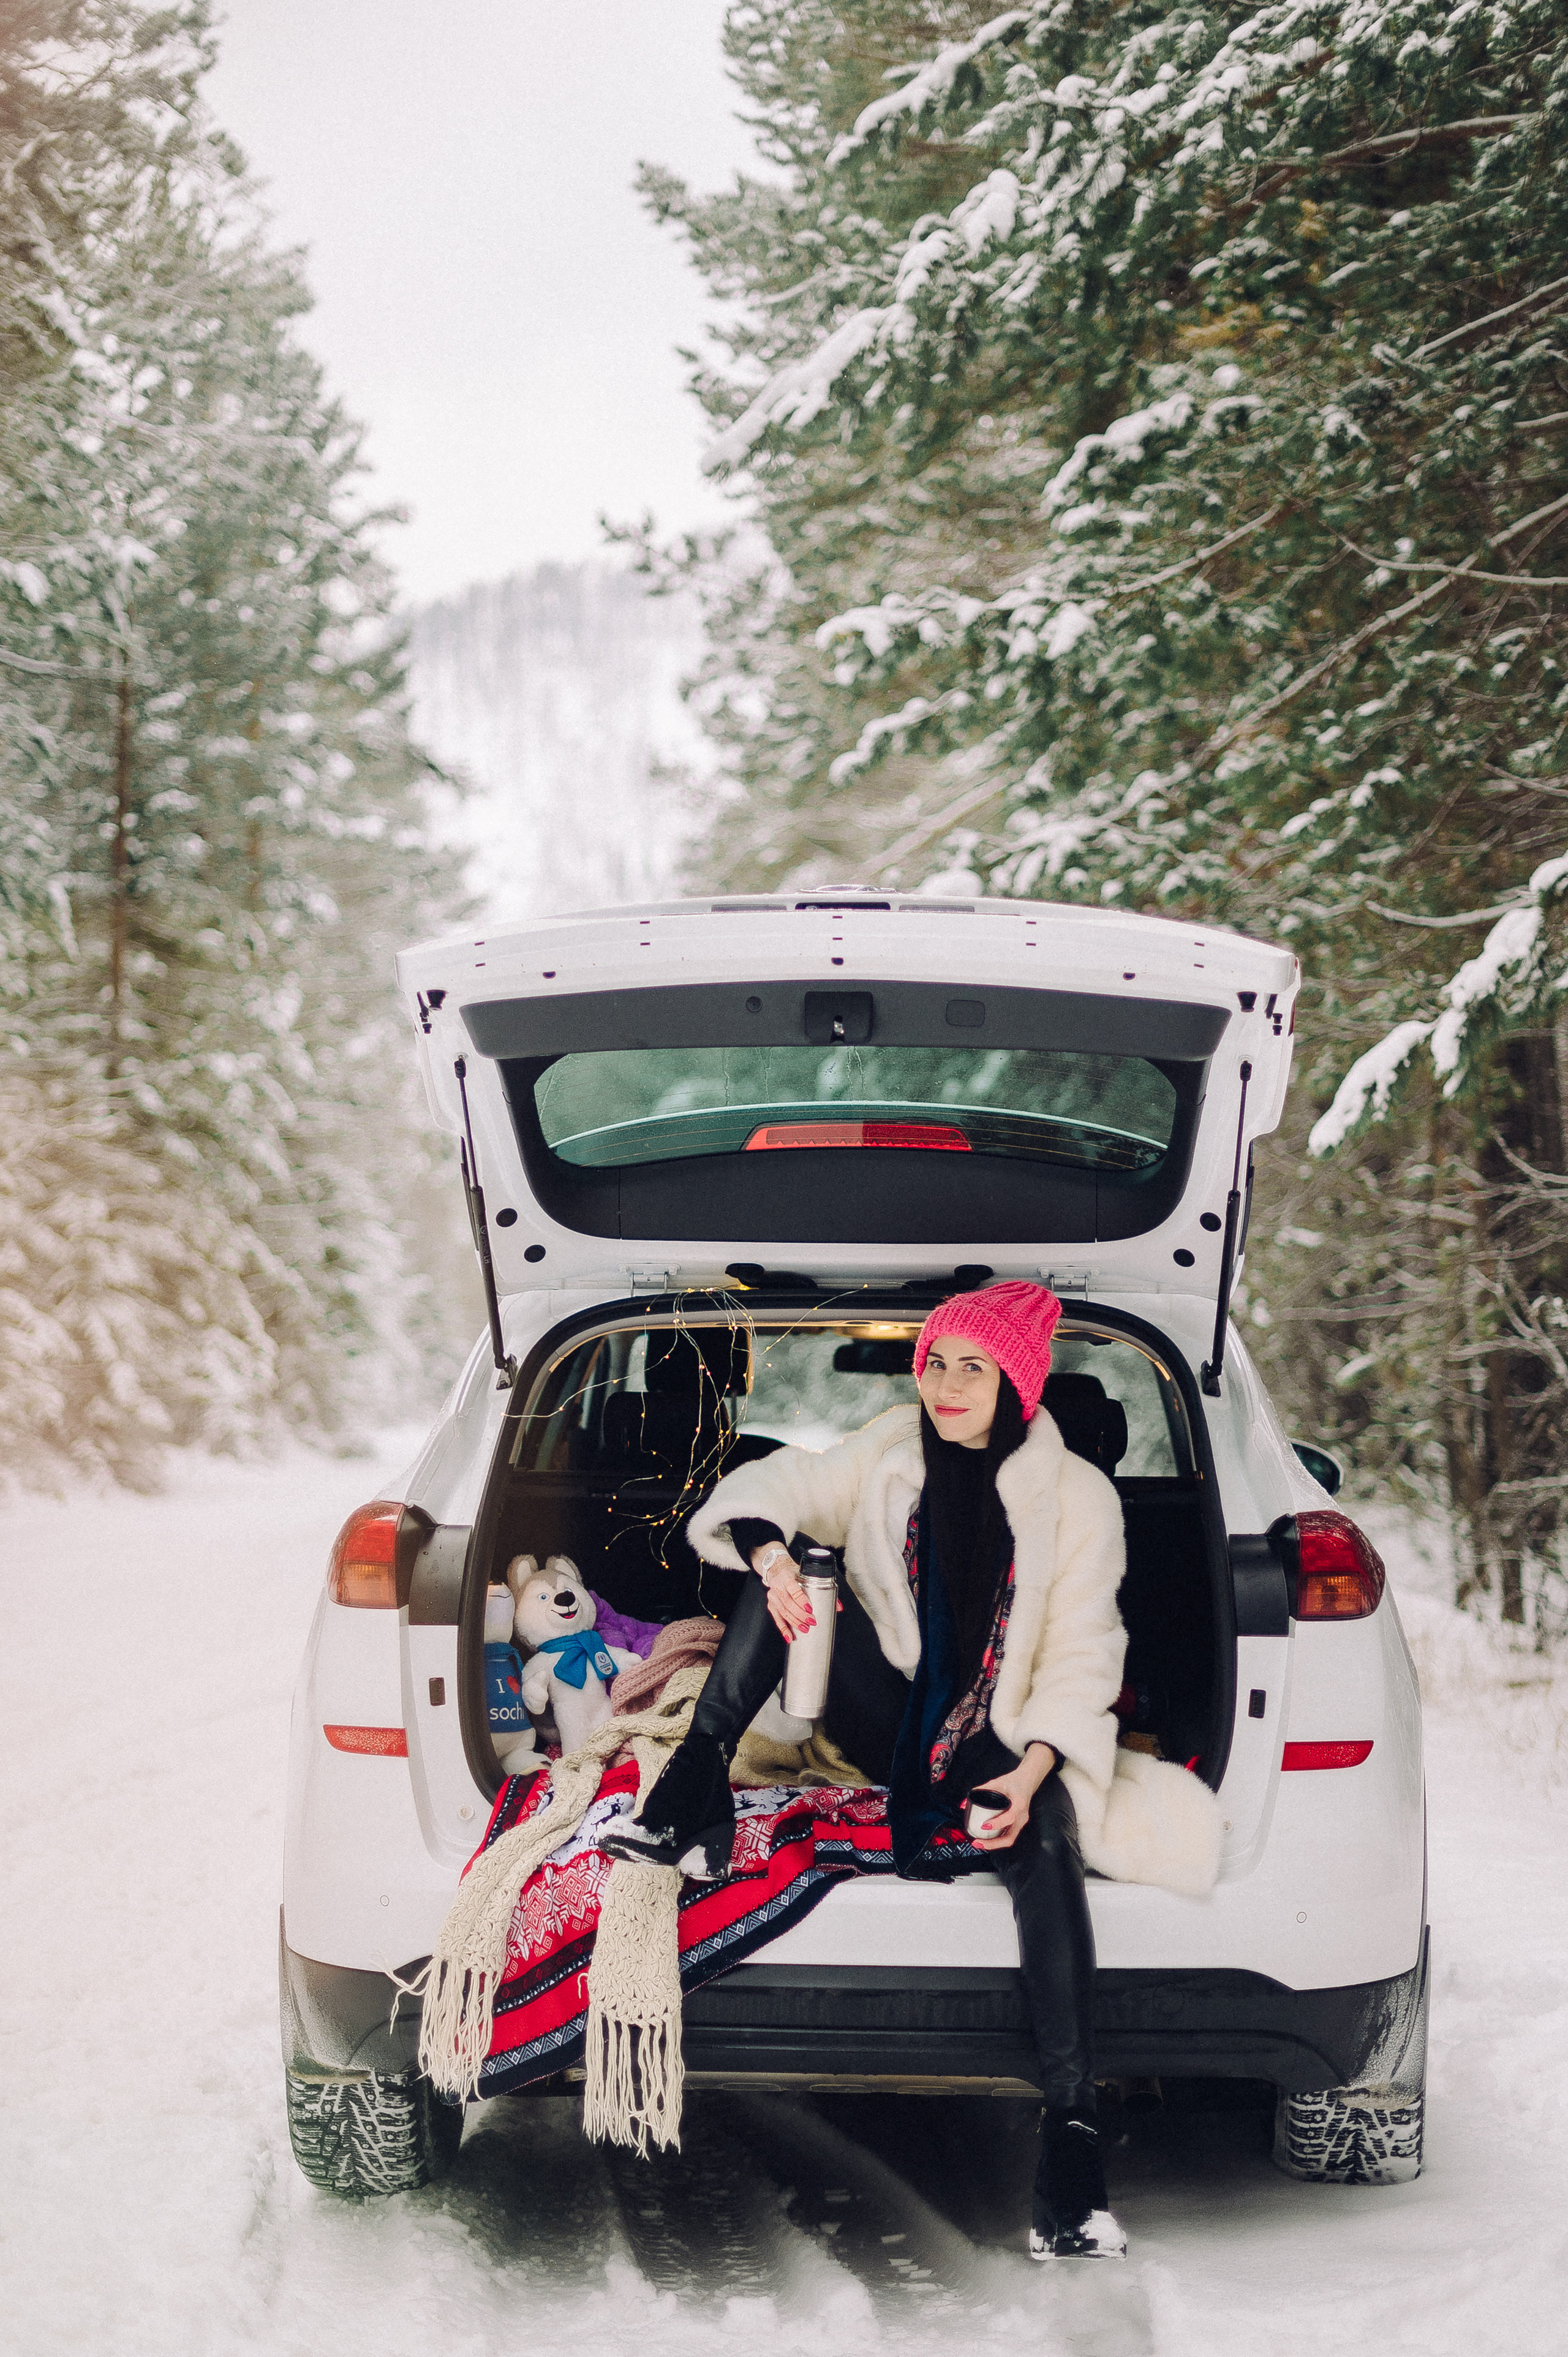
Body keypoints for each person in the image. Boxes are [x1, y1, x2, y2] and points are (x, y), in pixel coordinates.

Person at [607, 1280, 1221, 2260]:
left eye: (971, 1366)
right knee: (797, 1570)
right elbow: (779, 1486)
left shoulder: (1081, 1499)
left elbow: (1083, 1655)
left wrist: (1028, 1779)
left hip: (1005, 1734)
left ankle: (1071, 2141)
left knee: (1048, 1846)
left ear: (1017, 1384)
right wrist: (765, 1554)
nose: (943, 1383)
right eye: (935, 1360)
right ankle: (693, 1780)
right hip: (889, 1716)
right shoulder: (891, 1450)